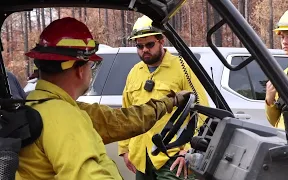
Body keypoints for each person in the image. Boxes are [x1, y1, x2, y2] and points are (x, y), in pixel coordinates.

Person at [17, 17, 190, 180]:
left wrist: (170, 101)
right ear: (80, 69)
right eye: (91, 64)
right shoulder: (63, 117)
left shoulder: (44, 104)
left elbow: (121, 120)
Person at [118, 15, 209, 180]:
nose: (144, 50)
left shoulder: (182, 68)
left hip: (172, 156)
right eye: (139, 46)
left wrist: (189, 150)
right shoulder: (134, 72)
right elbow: (126, 113)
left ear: (161, 41)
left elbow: (201, 110)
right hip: (142, 157)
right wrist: (124, 149)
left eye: (149, 44)